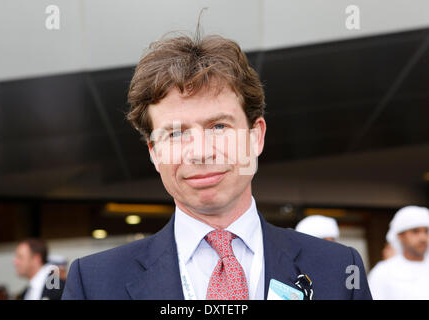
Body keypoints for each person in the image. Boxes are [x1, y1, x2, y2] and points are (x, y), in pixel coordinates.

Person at [62, 31, 371, 300]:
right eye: (176, 133)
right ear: (154, 153)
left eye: (219, 127)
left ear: (256, 137)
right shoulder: (94, 282)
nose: (200, 153)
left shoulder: (339, 271)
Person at [368, 206, 429, 299]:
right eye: (415, 231)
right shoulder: (382, 272)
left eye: (426, 231)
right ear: (400, 236)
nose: (423, 238)